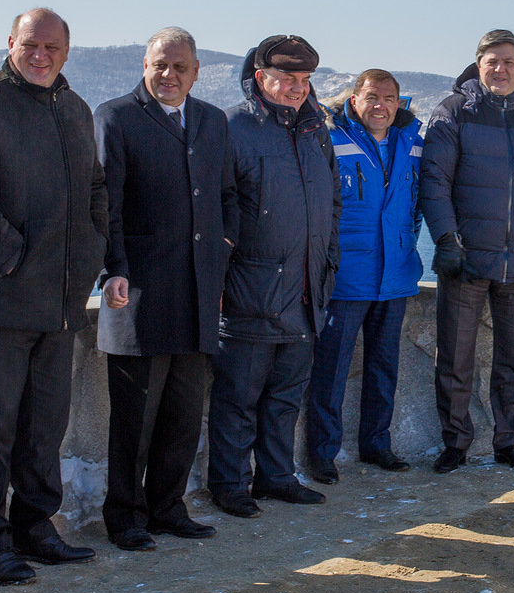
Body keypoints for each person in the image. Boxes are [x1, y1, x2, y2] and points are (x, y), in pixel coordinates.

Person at [0, 8, 107, 585]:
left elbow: (96, 188)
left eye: (52, 47)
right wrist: (12, 257)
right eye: (31, 44)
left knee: (44, 425)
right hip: (1, 300)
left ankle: (36, 528)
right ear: (11, 43)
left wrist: (92, 250)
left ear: (66, 51)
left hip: (59, 303)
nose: (41, 55)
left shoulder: (75, 109)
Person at [93, 27, 238, 551]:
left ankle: (167, 508)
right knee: (135, 418)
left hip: (200, 289)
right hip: (139, 294)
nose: (169, 75)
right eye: (160, 64)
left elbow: (228, 194)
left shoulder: (212, 120)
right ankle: (126, 518)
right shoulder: (116, 117)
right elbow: (104, 206)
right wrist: (114, 271)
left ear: (196, 71)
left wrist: (224, 243)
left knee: (181, 413)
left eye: (180, 67)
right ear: (145, 65)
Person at [420, 29, 514, 474]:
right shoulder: (453, 112)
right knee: (456, 356)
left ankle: (508, 441)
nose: (500, 69)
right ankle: (456, 442)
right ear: (478, 62)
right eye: (492, 61)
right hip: (464, 258)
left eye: (509, 62)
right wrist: (446, 238)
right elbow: (434, 180)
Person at [208, 34, 341, 517]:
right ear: (260, 77)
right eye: (286, 79)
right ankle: (229, 484)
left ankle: (277, 477)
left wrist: (329, 262)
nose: (296, 89)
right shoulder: (232, 128)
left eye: (304, 80)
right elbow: (218, 211)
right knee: (238, 398)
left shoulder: (315, 130)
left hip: (306, 292)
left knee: (286, 397)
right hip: (250, 289)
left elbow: (332, 204)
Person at [304, 70, 423, 485]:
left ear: (398, 103)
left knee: (383, 367)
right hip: (346, 277)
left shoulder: (413, 143)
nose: (381, 106)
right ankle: (322, 453)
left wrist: (409, 244)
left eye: (389, 99)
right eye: (372, 97)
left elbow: (416, 207)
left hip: (395, 276)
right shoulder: (331, 138)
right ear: (354, 100)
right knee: (330, 370)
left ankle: (377, 444)